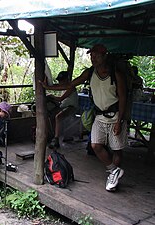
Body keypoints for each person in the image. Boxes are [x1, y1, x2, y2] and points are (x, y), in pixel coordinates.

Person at [40, 44, 127, 192]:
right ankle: (114, 170)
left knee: (117, 149)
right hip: (99, 115)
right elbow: (70, 85)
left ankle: (113, 176)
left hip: (115, 116)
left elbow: (123, 98)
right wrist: (48, 87)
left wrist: (120, 121)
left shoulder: (115, 74)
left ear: (104, 55)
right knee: (95, 145)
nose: (93, 58)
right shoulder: (90, 72)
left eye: (96, 55)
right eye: (91, 55)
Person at [46, 71, 78, 149]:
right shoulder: (63, 88)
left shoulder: (71, 87)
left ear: (66, 79)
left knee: (58, 117)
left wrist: (52, 96)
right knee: (49, 114)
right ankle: (51, 135)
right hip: (63, 106)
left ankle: (56, 139)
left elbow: (61, 98)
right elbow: (60, 100)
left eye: (61, 80)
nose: (60, 82)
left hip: (71, 107)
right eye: (59, 81)